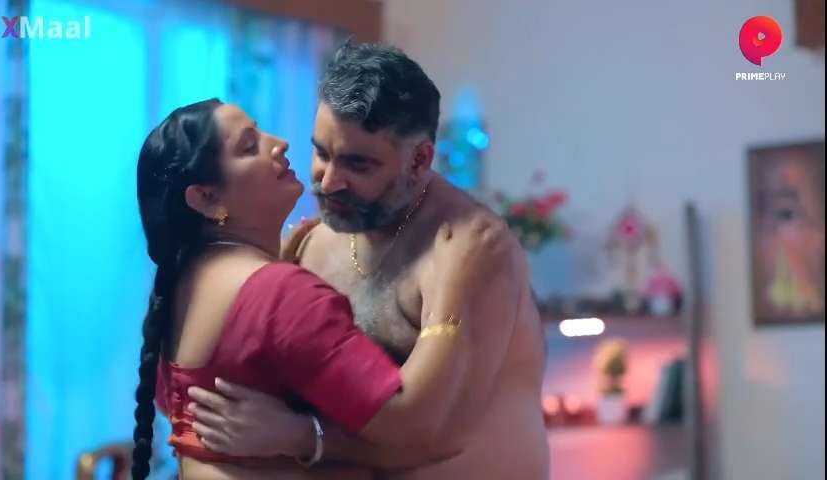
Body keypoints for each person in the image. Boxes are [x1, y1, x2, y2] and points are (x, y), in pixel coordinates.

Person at [187, 42, 550, 479]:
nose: (328, 182)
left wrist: (298, 436)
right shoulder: (314, 239)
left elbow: (437, 437)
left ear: (419, 160)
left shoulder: (471, 251)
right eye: (322, 153)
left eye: (357, 164)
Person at [132, 98, 511, 480]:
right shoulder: (279, 294)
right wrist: (453, 289)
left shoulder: (180, 285)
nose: (278, 143)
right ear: (206, 198)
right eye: (249, 146)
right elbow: (414, 425)